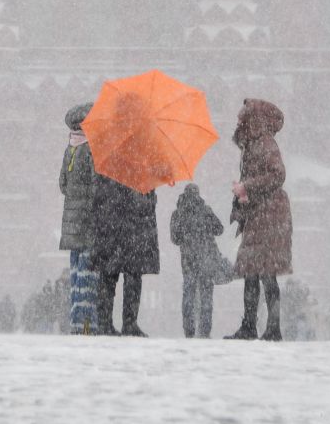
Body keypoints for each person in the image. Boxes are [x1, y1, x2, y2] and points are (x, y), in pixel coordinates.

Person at [225, 98, 292, 342]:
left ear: (253, 120)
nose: (238, 121)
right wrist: (241, 195)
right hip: (259, 215)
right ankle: (251, 326)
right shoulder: (252, 145)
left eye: (242, 117)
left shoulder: (265, 143)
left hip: (269, 216)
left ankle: (270, 328)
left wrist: (248, 187)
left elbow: (278, 175)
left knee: (265, 272)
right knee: (253, 271)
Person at [92, 170, 159, 337]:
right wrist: (150, 196)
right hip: (132, 233)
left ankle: (104, 322)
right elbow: (143, 205)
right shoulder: (142, 171)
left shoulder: (106, 168)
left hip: (110, 231)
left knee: (108, 276)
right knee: (132, 277)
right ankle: (129, 323)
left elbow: (97, 199)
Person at [58, 103, 99, 335]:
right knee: (88, 273)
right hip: (87, 222)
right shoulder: (91, 150)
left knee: (75, 274)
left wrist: (75, 193)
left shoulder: (69, 149)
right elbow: (96, 187)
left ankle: (76, 323)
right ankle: (87, 325)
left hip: (71, 224)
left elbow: (62, 185)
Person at [169, 182, 224, 339]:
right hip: (205, 259)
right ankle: (205, 330)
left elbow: (175, 239)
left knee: (188, 294)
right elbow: (219, 229)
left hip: (188, 261)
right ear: (198, 194)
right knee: (206, 296)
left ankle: (189, 330)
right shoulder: (205, 210)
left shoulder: (177, 213)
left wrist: (187, 236)